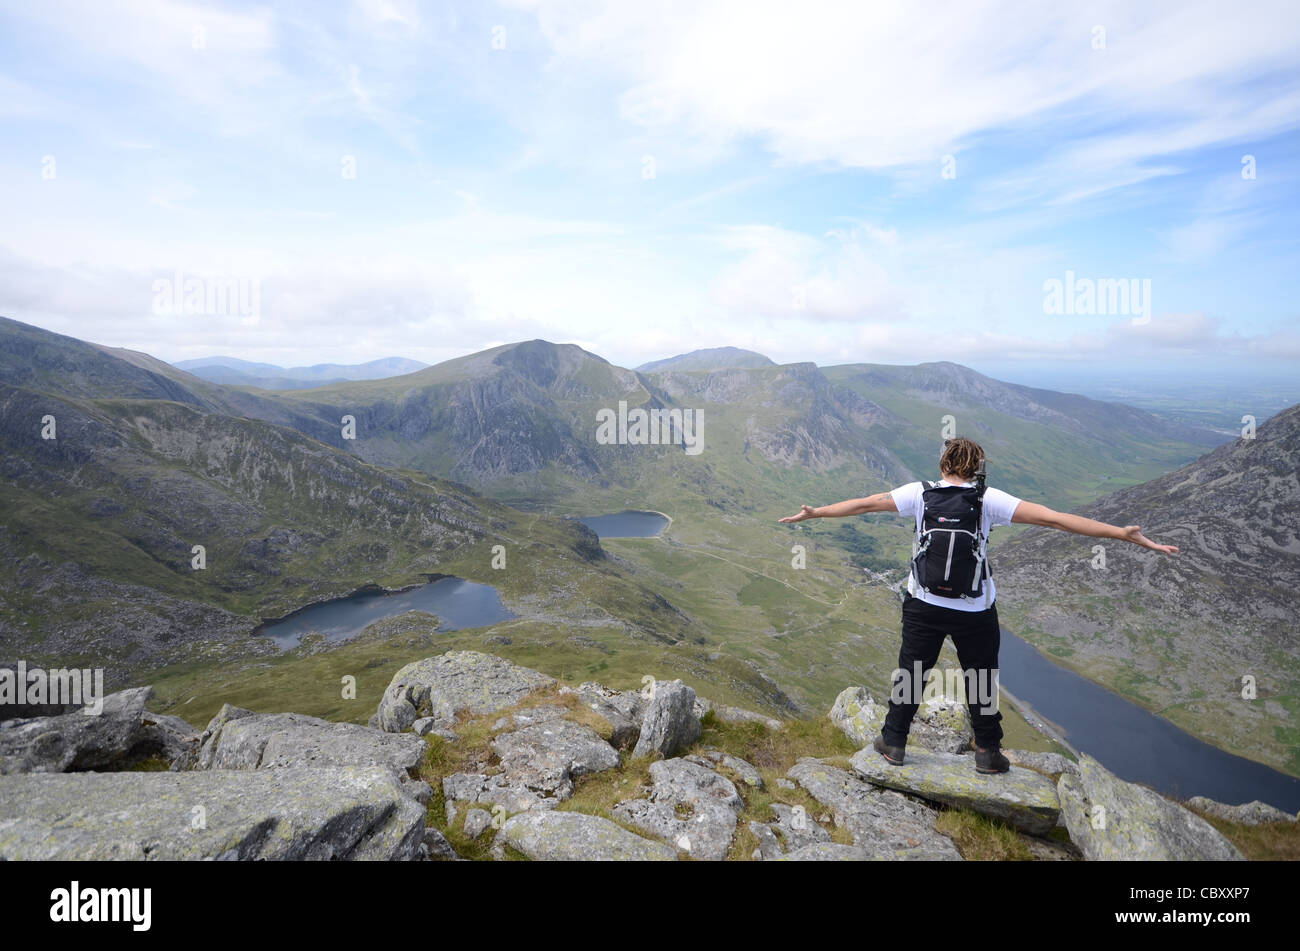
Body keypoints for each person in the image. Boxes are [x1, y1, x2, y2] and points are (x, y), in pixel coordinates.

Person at [779, 436, 1178, 773]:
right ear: (977, 468)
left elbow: (866, 503)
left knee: (912, 672)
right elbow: (1056, 520)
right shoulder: (990, 500)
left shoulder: (920, 493)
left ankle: (894, 742)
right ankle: (987, 752)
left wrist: (816, 513)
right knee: (981, 677)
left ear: (944, 464)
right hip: (975, 609)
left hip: (924, 605)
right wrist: (1121, 534)